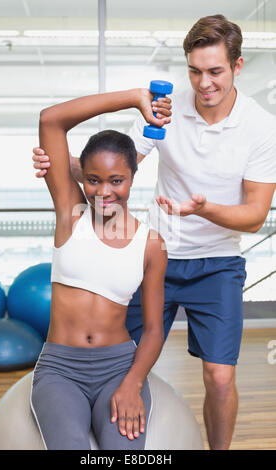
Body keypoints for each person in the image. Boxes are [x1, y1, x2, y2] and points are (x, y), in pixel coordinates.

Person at [32, 14, 276, 450]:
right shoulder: (165, 107)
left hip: (216, 261)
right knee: (118, 346)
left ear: (237, 67)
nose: (203, 84)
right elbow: (116, 167)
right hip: (152, 256)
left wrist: (206, 209)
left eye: (215, 71)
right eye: (195, 71)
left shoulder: (261, 129)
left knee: (219, 376)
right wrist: (62, 166)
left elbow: (255, 216)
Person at [30, 90, 168, 450]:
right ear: (82, 178)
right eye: (93, 180)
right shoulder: (70, 213)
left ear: (132, 177)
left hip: (118, 367)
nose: (103, 192)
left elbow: (153, 330)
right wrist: (135, 98)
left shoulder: (151, 244)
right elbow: (51, 119)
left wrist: (133, 382)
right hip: (61, 369)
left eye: (116, 181)